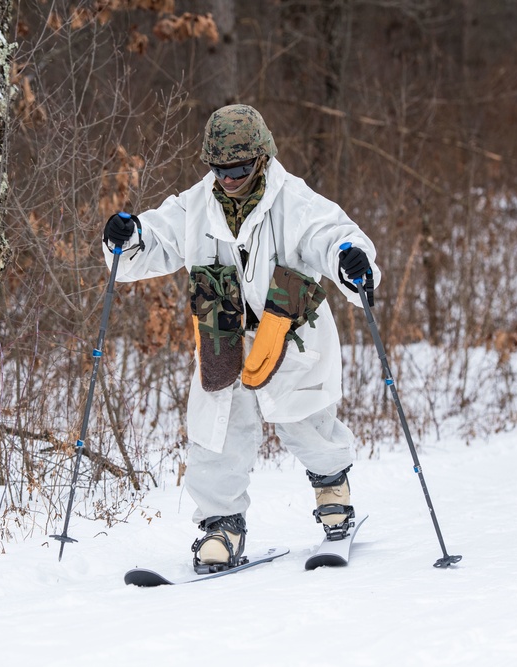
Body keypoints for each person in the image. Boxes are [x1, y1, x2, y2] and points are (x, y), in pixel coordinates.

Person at [101, 104, 380, 572]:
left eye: (240, 168)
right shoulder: (195, 204)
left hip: (290, 334)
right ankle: (221, 527)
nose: (229, 177)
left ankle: (334, 492)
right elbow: (155, 239)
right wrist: (128, 237)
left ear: (263, 158)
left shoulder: (295, 201)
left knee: (305, 419)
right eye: (220, 168)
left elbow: (333, 237)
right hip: (222, 335)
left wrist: (352, 262)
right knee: (215, 431)